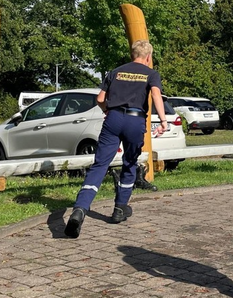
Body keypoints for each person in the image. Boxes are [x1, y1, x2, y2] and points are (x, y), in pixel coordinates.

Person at [65, 40, 167, 238]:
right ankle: (120, 208)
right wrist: (162, 120)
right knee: (130, 162)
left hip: (113, 118)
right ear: (148, 57)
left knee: (100, 165)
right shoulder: (151, 74)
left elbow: (100, 99)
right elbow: (156, 95)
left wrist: (108, 112)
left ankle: (80, 209)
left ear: (132, 55)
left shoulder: (115, 72)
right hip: (135, 121)